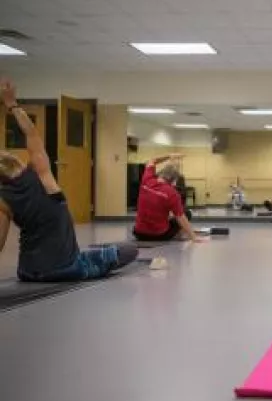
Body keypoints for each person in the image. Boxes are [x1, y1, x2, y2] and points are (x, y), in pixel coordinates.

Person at [0, 79, 138, 282]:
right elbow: (32, 133)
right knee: (128, 249)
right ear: (16, 163)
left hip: (28, 272)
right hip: (65, 268)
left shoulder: (3, 200)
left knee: (91, 250)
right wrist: (11, 104)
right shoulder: (42, 175)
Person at [133, 155, 201, 242]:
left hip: (139, 234)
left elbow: (152, 160)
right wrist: (194, 237)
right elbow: (181, 218)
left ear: (161, 174)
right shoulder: (172, 193)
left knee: (167, 215)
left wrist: (169, 156)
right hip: (159, 236)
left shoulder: (147, 179)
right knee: (187, 213)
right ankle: (181, 234)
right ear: (174, 181)